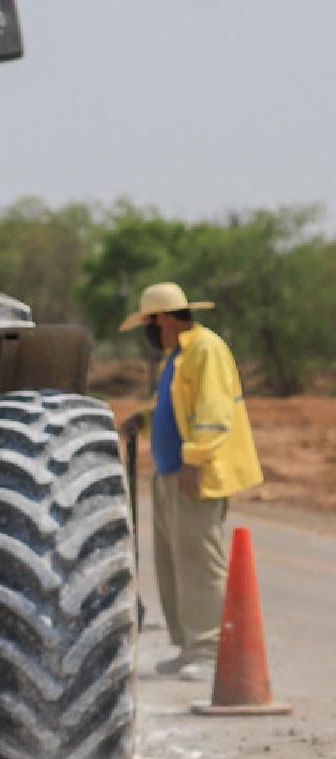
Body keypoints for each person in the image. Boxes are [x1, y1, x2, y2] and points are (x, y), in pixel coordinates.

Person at [119, 282, 263, 682]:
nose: (150, 332)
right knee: (174, 563)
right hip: (169, 473)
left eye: (150, 323)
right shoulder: (178, 355)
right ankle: (188, 646)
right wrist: (145, 420)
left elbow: (213, 412)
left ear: (162, 319)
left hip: (195, 474)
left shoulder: (205, 349)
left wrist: (195, 460)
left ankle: (210, 649)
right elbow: (175, 407)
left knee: (200, 561)